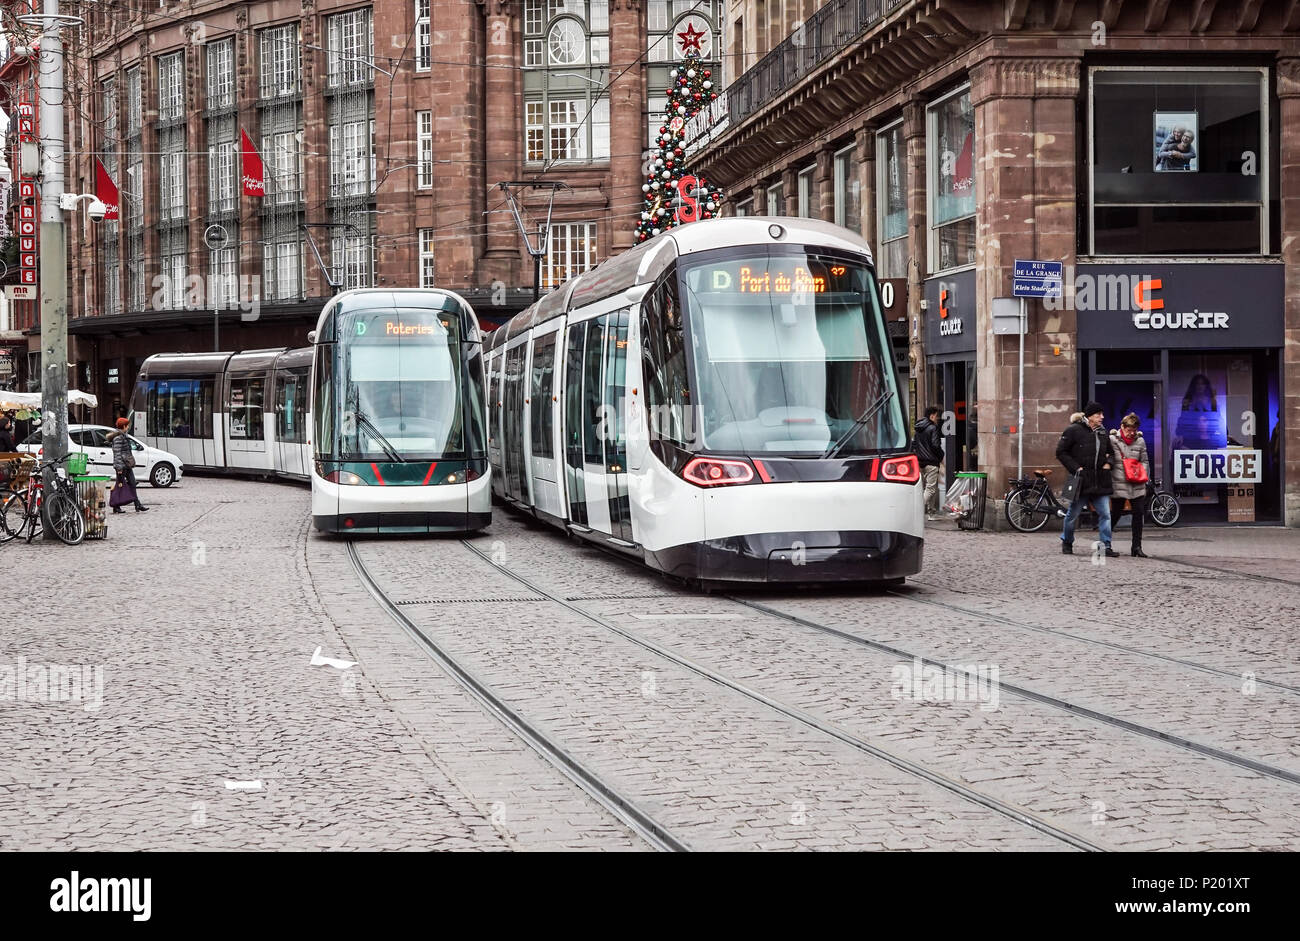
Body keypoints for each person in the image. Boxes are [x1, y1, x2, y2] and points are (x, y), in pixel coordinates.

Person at [1055, 402, 1116, 557]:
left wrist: (1109, 464)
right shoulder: (1073, 430)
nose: (1102, 417)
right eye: (1098, 414)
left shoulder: (1103, 433)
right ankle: (1067, 541)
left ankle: (1105, 546)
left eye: (1102, 414)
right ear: (1089, 416)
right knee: (1072, 515)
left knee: (1105, 514)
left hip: (1100, 480)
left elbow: (1111, 453)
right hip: (1081, 481)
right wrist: (1076, 468)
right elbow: (1061, 452)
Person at [1110, 413, 1152, 558]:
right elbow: (1110, 461)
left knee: (1138, 513)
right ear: (1122, 427)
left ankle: (1136, 547)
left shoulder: (1140, 441)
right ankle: (1105, 542)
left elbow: (1145, 460)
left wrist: (1143, 474)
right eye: (1129, 430)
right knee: (1115, 513)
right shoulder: (1113, 440)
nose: (1132, 433)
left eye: (1134, 430)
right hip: (1119, 482)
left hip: (1137, 483)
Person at [106, 417, 148, 513]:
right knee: (119, 486)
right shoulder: (118, 438)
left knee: (132, 483)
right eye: (127, 425)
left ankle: (137, 504)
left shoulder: (124, 436)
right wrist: (119, 468)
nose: (128, 427)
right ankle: (116, 505)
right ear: (124, 426)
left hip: (127, 465)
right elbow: (117, 454)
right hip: (121, 466)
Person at [913, 405, 944, 521]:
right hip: (931, 462)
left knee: (931, 488)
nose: (938, 418)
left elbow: (914, 445)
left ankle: (931, 513)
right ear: (931, 416)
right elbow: (936, 445)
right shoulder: (933, 428)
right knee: (930, 489)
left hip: (921, 462)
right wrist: (941, 455)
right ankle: (916, 510)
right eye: (937, 416)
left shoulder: (918, 428)